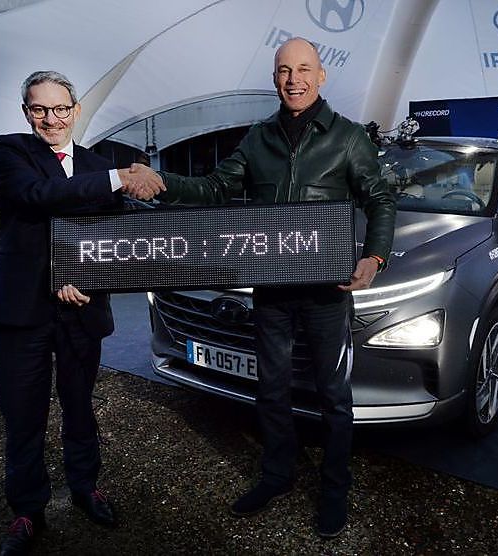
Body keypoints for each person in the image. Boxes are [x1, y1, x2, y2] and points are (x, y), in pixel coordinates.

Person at [152, 38, 396, 538]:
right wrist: (162, 183)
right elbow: (215, 189)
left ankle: (334, 489)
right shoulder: (257, 138)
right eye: (285, 70)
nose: (294, 79)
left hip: (326, 293)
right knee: (271, 389)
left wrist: (374, 257)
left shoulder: (348, 137)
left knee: (334, 396)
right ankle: (277, 475)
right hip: (273, 291)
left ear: (321, 76)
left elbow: (380, 199)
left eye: (304, 69)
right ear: (274, 78)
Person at [0, 70, 163, 555]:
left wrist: (85, 276)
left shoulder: (96, 162)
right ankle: (26, 510)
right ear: (26, 113)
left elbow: (111, 238)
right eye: (40, 109)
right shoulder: (9, 153)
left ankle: (85, 487)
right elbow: (38, 196)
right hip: (24, 309)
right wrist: (120, 178)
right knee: (23, 415)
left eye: (60, 109)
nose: (51, 119)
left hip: (81, 310)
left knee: (79, 407)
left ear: (76, 111)